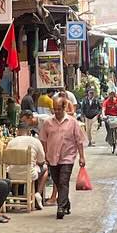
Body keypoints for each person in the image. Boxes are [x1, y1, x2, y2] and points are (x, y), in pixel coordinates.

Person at [41, 91, 86, 219]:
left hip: (68, 157)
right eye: (54, 109)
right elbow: (43, 139)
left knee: (63, 181)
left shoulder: (72, 122)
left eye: (59, 109)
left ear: (64, 108)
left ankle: (60, 207)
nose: (57, 112)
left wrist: (82, 156)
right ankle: (66, 203)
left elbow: (79, 141)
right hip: (52, 157)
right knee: (57, 181)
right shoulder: (48, 123)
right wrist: (45, 154)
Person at [9, 107, 50, 207]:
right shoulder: (35, 141)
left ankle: (16, 197)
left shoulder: (10, 142)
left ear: (18, 131)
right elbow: (41, 161)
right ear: (28, 131)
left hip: (11, 174)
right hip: (29, 173)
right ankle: (38, 194)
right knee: (45, 169)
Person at [101, 83, 117, 154]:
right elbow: (103, 109)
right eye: (111, 94)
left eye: (113, 94)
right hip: (109, 117)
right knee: (109, 130)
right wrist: (104, 116)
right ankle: (111, 141)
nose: (112, 95)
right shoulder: (106, 102)